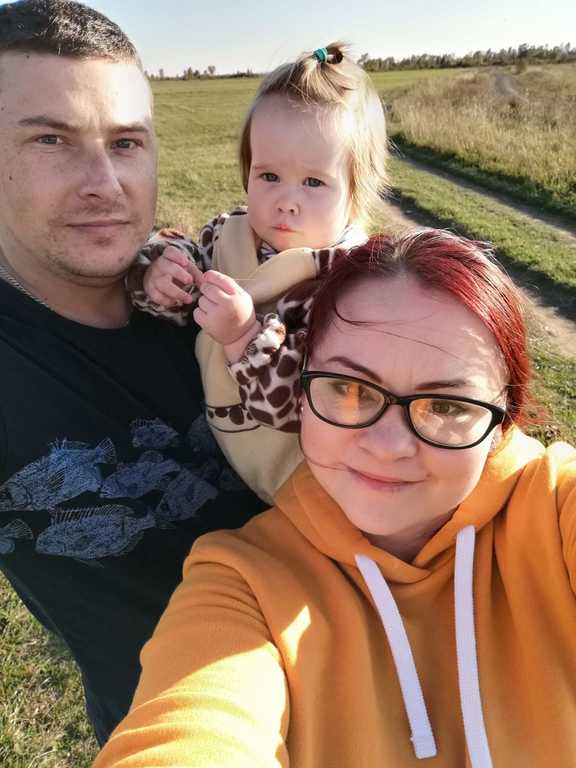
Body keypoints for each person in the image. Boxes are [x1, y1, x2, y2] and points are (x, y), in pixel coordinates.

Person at [96, 230, 576, 767]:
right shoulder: (243, 583)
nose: (388, 446)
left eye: (445, 406)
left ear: (502, 421)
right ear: (301, 393)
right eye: (349, 389)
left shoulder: (557, 508)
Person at [0, 0, 263, 746]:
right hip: (184, 740)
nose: (105, 183)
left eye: (125, 142)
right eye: (51, 139)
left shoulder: (224, 285)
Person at [127, 42, 388, 502]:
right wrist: (162, 275)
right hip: (224, 465)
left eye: (314, 182)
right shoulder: (227, 235)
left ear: (356, 191)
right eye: (268, 176)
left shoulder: (353, 285)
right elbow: (189, 269)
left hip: (313, 491)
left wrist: (243, 336)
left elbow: (310, 405)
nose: (287, 201)